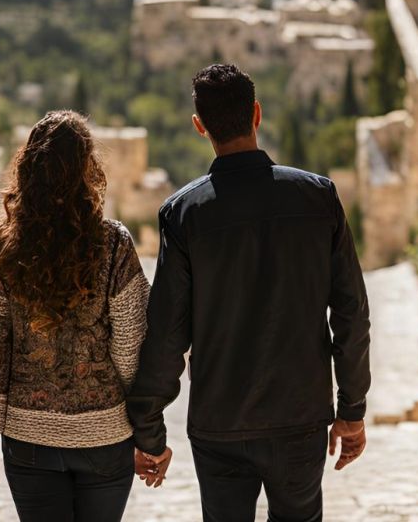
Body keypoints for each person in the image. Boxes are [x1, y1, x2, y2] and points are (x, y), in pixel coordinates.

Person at [127, 64, 371, 522]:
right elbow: (352, 313)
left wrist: (148, 427)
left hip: (220, 422)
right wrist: (351, 408)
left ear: (199, 126)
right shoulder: (319, 198)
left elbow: (167, 332)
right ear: (257, 114)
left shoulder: (184, 214)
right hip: (300, 415)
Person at [0, 110, 150, 522]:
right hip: (104, 437)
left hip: (29, 441)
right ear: (89, 169)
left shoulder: (2, 248)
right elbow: (131, 344)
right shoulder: (114, 244)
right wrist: (145, 429)